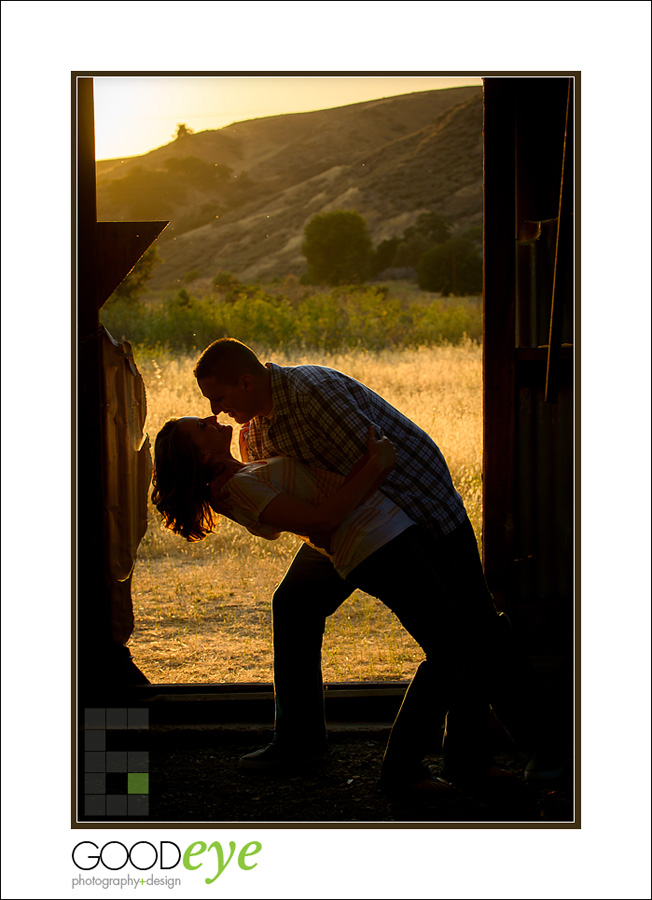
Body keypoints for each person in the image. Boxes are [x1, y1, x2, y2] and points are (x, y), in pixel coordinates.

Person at [187, 339, 547, 795]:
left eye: (218, 398)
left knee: (470, 629)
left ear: (245, 381)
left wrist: (379, 535)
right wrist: (317, 526)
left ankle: (507, 755)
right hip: (351, 526)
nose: (216, 410)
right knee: (295, 604)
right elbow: (290, 501)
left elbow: (382, 462)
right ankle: (300, 739)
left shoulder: (311, 392)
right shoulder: (253, 433)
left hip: (417, 510)